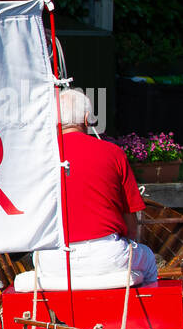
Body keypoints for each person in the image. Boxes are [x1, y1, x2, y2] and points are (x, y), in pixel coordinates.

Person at [31, 89, 157, 286]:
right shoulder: (113, 153)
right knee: (148, 258)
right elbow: (131, 226)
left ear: (54, 121)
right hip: (107, 256)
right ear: (87, 119)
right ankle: (147, 314)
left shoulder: (38, 156)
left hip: (53, 260)